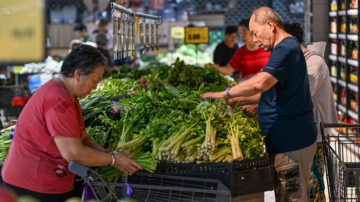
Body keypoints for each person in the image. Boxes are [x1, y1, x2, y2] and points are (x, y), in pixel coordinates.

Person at [201, 7, 317, 201]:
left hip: (291, 143)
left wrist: (223, 93)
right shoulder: (285, 48)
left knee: (292, 197)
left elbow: (260, 83)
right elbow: (277, 93)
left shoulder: (285, 49)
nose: (254, 39)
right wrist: (240, 99)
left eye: (255, 33)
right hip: (287, 141)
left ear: (270, 25)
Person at [1, 45, 142, 202]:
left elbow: (84, 139)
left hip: (46, 180)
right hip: (33, 183)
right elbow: (73, 153)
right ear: (78, 74)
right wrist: (113, 160)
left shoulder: (68, 95)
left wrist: (111, 155)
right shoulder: (57, 98)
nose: (95, 86)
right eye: (94, 81)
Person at [283, 22, 338, 202]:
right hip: (304, 134)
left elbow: (300, 96)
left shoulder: (314, 63)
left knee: (313, 185)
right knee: (308, 186)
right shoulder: (300, 62)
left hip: (315, 136)